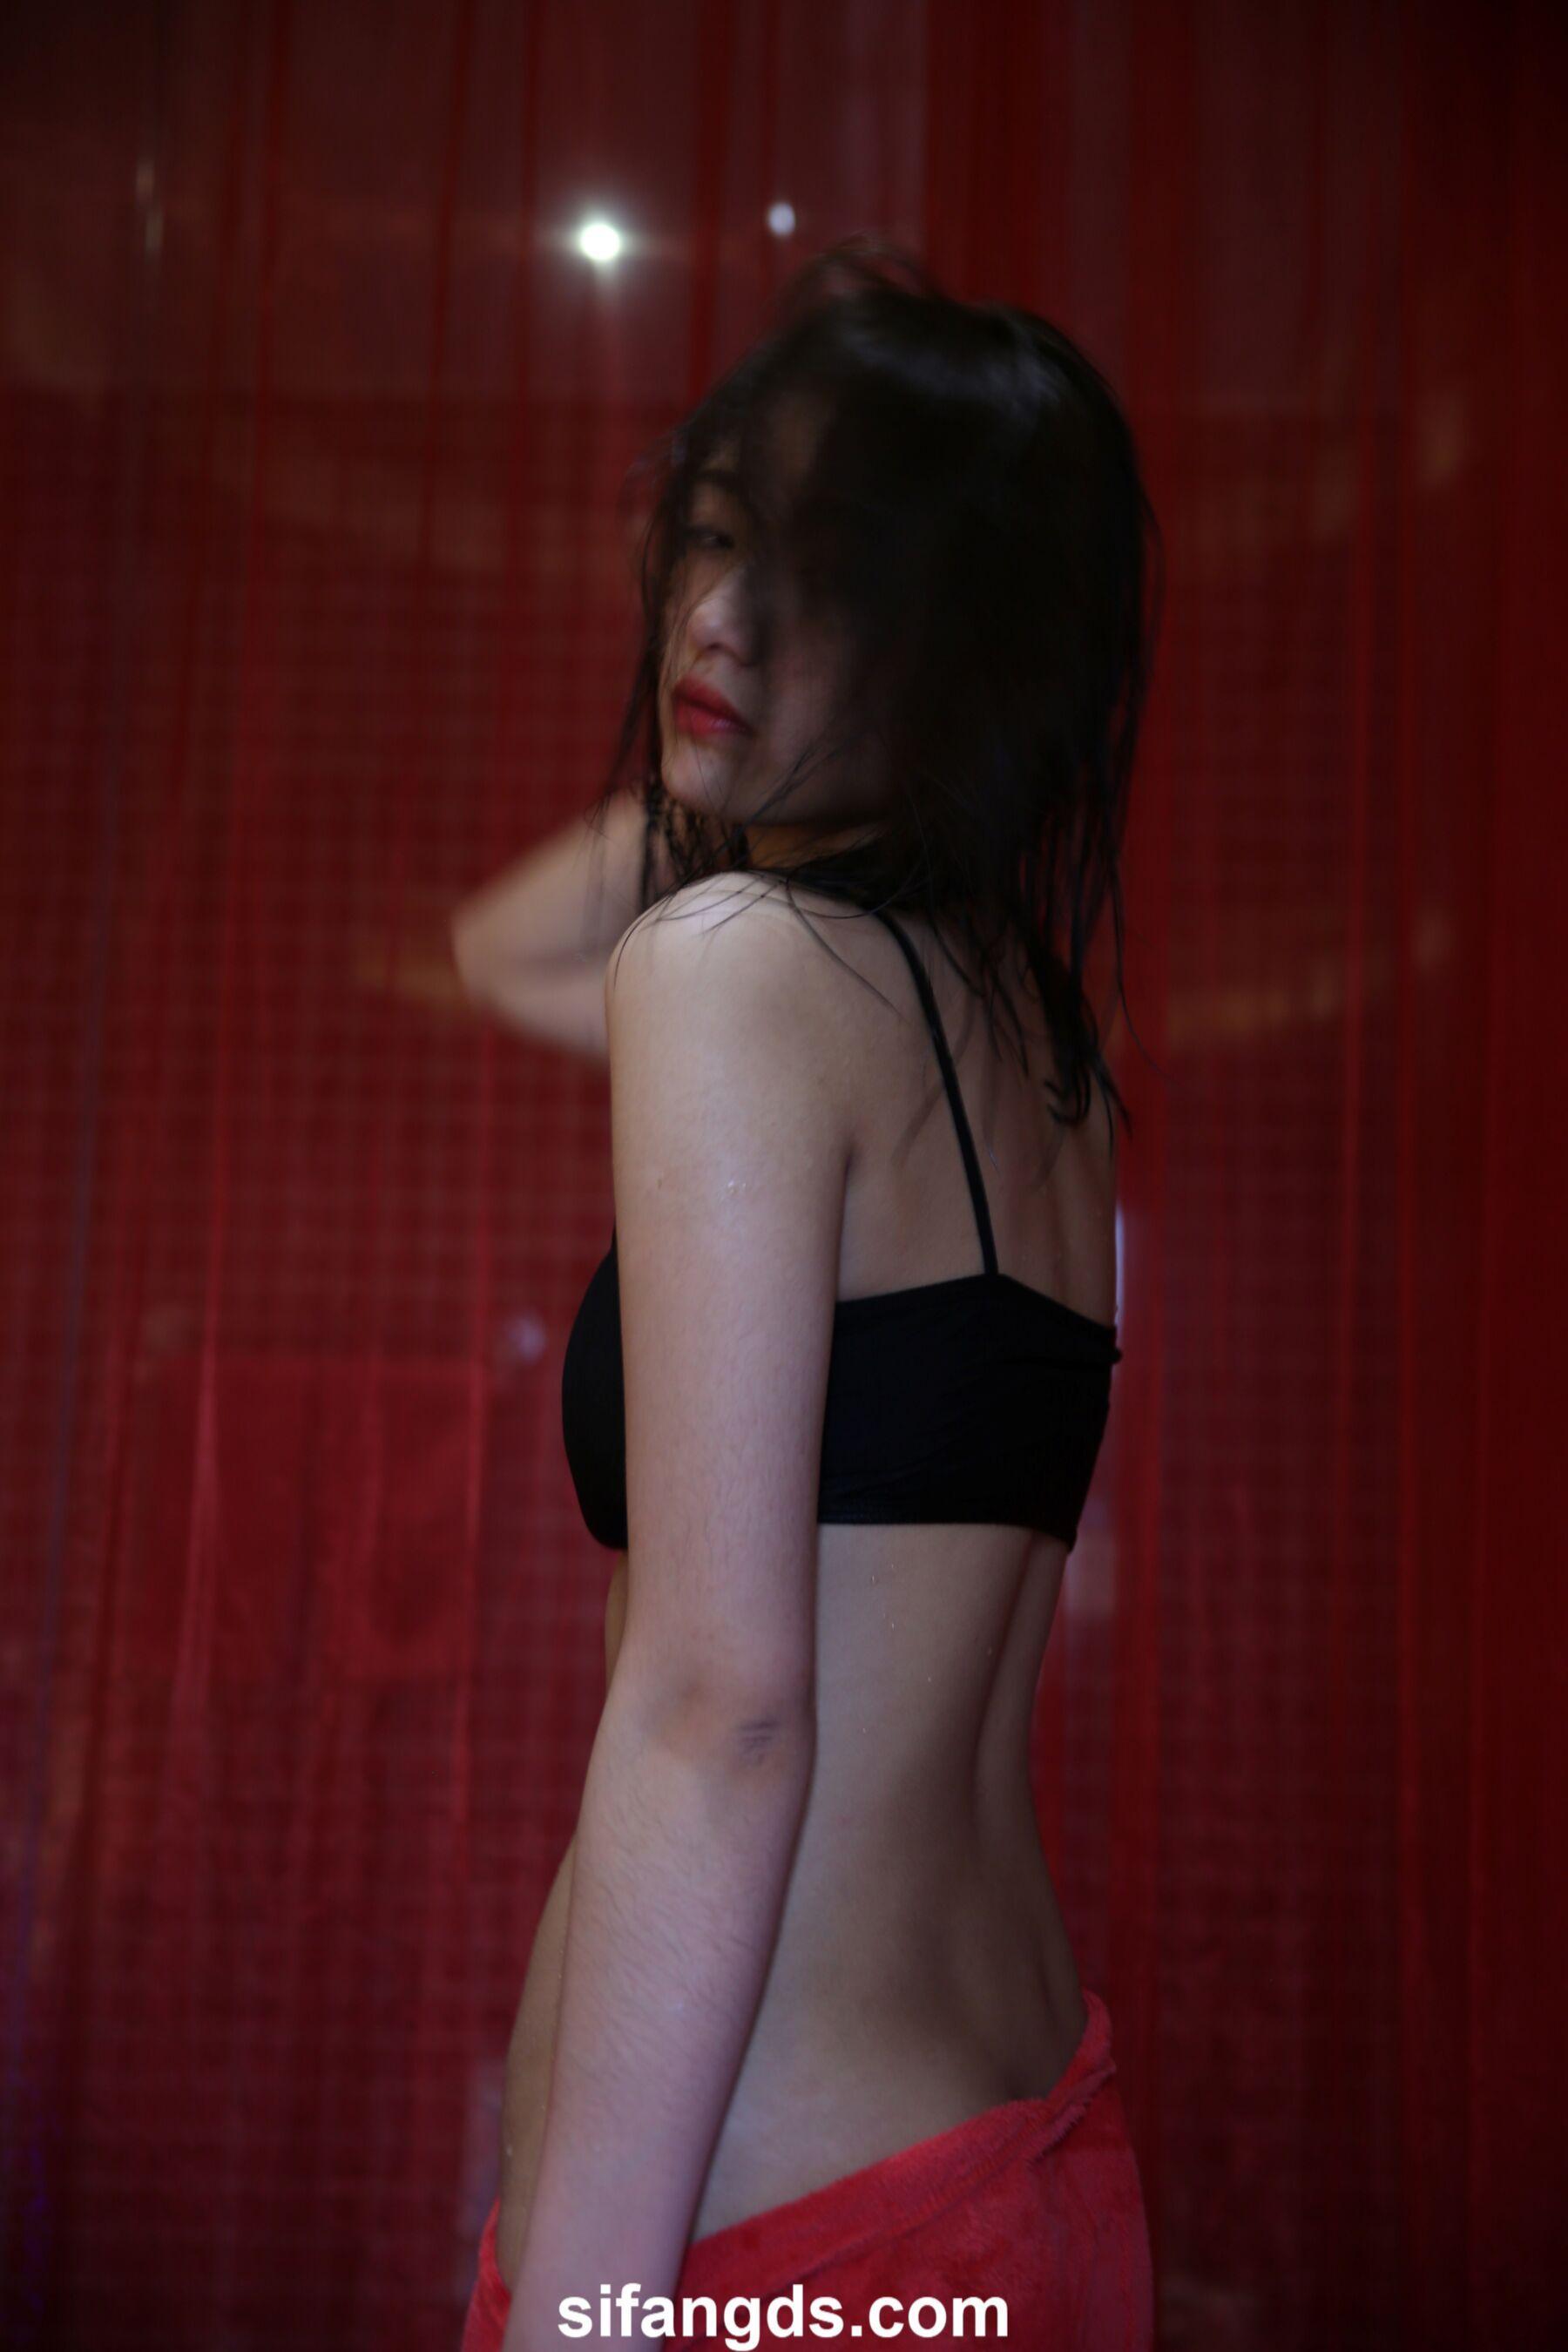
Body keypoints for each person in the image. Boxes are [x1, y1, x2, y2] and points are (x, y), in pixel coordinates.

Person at [450, 237, 1158, 2349]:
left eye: (825, 573)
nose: (719, 616)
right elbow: (502, 951)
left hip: (776, 2233)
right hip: (1035, 2151)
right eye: (710, 538)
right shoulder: (1035, 1046)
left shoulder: (742, 972)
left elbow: (723, 1706)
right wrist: (764, 703)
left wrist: (582, 2319)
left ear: (967, 645)